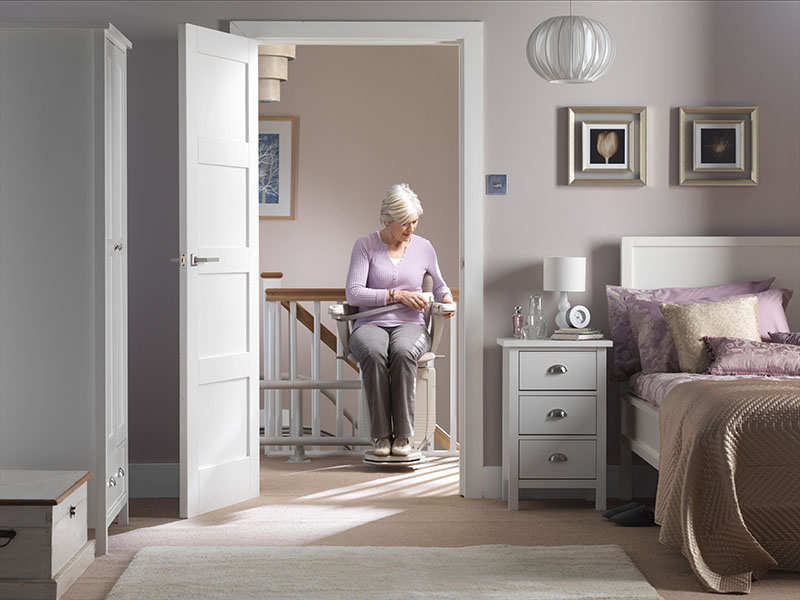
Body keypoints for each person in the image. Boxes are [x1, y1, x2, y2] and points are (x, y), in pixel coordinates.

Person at [346, 183, 454, 458]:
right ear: (387, 219)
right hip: (369, 323)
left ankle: (403, 436)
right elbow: (354, 292)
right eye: (404, 223)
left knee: (404, 352)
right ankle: (381, 435)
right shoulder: (365, 245)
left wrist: (447, 300)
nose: (410, 229)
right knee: (373, 351)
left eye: (414, 222)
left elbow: (439, 285)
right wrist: (397, 295)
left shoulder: (424, 248)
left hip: (412, 325)